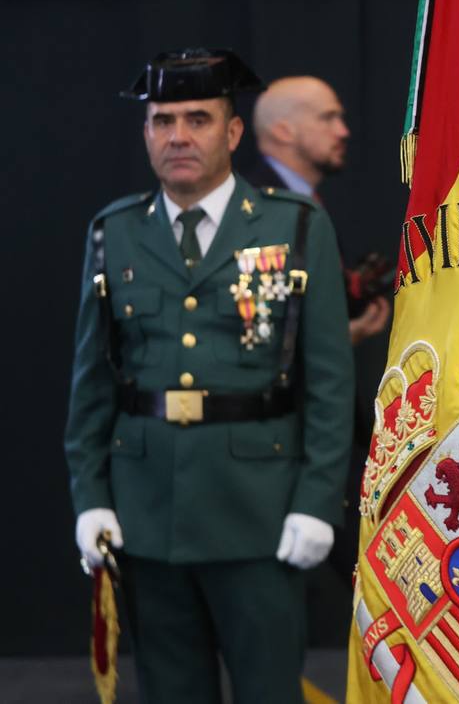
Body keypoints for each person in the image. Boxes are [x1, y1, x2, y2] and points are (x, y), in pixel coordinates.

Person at [65, 49, 355, 703]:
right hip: (147, 515)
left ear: (231, 132)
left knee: (268, 692)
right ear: (145, 135)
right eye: (162, 121)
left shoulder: (295, 226)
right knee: (171, 693)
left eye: (197, 119)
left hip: (260, 513)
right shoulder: (114, 234)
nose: (178, 136)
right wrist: (92, 498)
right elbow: (92, 383)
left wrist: (317, 503)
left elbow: (331, 385)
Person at [247, 75, 392, 345]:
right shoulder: (253, 211)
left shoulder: (302, 202)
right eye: (328, 118)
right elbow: (260, 331)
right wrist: (332, 342)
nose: (343, 131)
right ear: (283, 131)